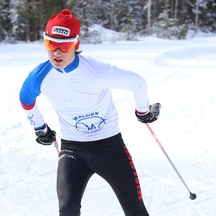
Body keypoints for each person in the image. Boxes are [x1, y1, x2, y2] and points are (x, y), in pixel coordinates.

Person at [19, 8, 160, 216]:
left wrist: (142, 111)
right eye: (51, 44)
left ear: (76, 45)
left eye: (64, 46)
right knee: (67, 210)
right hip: (72, 150)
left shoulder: (97, 72)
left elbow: (138, 83)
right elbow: (26, 99)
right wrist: (40, 128)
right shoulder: (40, 76)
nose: (57, 52)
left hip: (110, 148)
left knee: (135, 210)